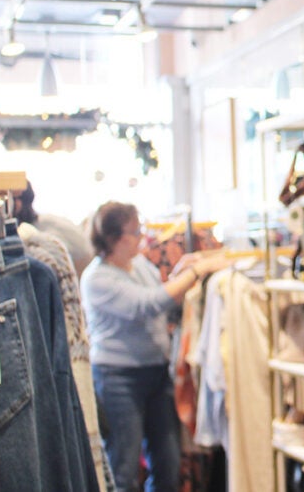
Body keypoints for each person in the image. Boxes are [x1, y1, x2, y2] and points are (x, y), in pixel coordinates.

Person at [81, 201, 229, 492]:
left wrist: (182, 271)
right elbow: (147, 304)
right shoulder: (97, 278)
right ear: (116, 238)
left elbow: (162, 294)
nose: (142, 237)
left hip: (156, 373)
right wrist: (196, 272)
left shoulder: (139, 265)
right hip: (118, 379)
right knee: (123, 468)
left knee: (168, 463)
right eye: (136, 231)